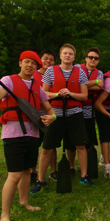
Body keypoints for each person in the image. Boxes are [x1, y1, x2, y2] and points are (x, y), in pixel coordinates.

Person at [0, 51, 56, 221]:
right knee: (14, 174)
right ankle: (4, 216)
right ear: (20, 63)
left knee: (27, 171)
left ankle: (24, 202)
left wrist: (52, 118)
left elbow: (50, 110)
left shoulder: (37, 86)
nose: (30, 66)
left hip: (33, 134)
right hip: (13, 134)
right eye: (26, 62)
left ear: (37, 67)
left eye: (33, 64)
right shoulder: (8, 81)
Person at [31, 43, 91, 194]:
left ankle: (84, 176)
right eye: (65, 53)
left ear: (74, 56)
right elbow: (43, 94)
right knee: (47, 148)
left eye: (70, 54)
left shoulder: (80, 73)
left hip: (74, 114)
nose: (68, 56)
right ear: (60, 55)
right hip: (55, 114)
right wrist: (58, 94)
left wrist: (69, 93)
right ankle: (40, 180)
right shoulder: (50, 71)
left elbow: (84, 96)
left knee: (81, 146)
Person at [71, 47, 104, 174]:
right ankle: (71, 166)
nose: (93, 60)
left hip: (90, 111)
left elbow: (100, 85)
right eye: (91, 57)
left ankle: (89, 166)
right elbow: (74, 84)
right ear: (86, 58)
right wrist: (93, 83)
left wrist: (83, 85)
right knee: (72, 141)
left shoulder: (99, 73)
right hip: (75, 109)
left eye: (96, 58)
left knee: (89, 140)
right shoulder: (77, 68)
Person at [30, 51, 58, 183]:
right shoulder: (32, 75)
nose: (48, 62)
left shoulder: (55, 74)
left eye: (51, 60)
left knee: (50, 144)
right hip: (35, 113)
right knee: (34, 144)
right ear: (40, 61)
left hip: (50, 112)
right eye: (45, 59)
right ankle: (32, 171)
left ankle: (53, 171)